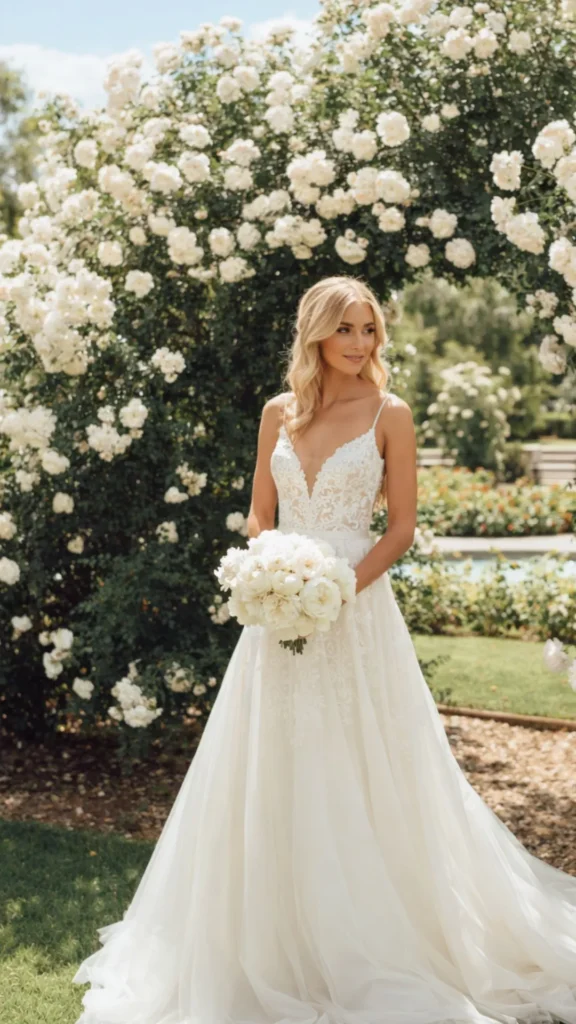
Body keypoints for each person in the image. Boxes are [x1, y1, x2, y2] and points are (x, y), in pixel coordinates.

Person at [72, 275, 576, 1024]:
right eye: (346, 328)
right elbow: (258, 509)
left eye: (370, 329)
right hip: (276, 613)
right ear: (316, 333)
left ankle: (378, 934)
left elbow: (400, 528)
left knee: (364, 762)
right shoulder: (278, 411)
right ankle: (271, 935)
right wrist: (263, 565)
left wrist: (338, 587)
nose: (361, 343)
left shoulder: (390, 414)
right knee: (270, 761)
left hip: (356, 609)